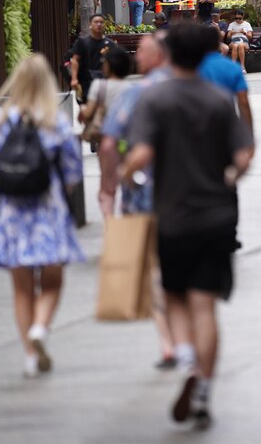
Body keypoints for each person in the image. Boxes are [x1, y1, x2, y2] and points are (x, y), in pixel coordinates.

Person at [121, 23, 253, 430]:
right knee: (205, 305)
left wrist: (127, 175)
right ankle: (205, 388)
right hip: (216, 216)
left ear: (171, 55)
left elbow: (140, 153)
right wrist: (229, 176)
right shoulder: (217, 99)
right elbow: (244, 153)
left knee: (173, 296)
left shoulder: (155, 99)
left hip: (173, 216)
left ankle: (186, 359)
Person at [0, 54, 84, 379]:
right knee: (52, 281)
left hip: (9, 211)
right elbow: (73, 171)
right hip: (48, 210)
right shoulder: (56, 121)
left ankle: (31, 357)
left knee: (21, 288)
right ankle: (41, 329)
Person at [99, 34, 191, 372]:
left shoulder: (137, 93)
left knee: (155, 270)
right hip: (195, 197)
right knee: (188, 268)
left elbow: (109, 144)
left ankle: (169, 343)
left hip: (147, 195)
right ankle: (192, 337)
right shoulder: (199, 90)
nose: (137, 56)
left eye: (142, 50)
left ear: (156, 56)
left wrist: (111, 183)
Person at [79, 45, 136, 214]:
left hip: (106, 141)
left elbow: (88, 113)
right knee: (128, 178)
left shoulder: (99, 86)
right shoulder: (131, 89)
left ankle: (110, 222)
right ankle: (128, 216)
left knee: (107, 186)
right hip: (125, 141)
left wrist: (82, 111)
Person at [197, 26, 254, 137]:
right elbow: (243, 101)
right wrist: (249, 135)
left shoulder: (194, 67)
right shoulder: (233, 68)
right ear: (218, 41)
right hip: (226, 121)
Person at [70, 14, 113, 104]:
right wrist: (74, 79)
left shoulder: (109, 43)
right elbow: (75, 60)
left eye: (101, 22)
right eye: (96, 22)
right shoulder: (82, 42)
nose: (99, 24)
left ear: (104, 25)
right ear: (90, 24)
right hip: (86, 80)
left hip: (103, 81)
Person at [226, 9, 253, 74]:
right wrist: (232, 33)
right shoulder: (232, 24)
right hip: (234, 41)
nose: (238, 20)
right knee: (235, 45)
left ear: (242, 16)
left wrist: (245, 33)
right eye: (236, 18)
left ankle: (242, 67)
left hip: (244, 41)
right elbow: (228, 37)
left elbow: (250, 37)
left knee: (240, 45)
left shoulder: (247, 24)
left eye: (239, 18)